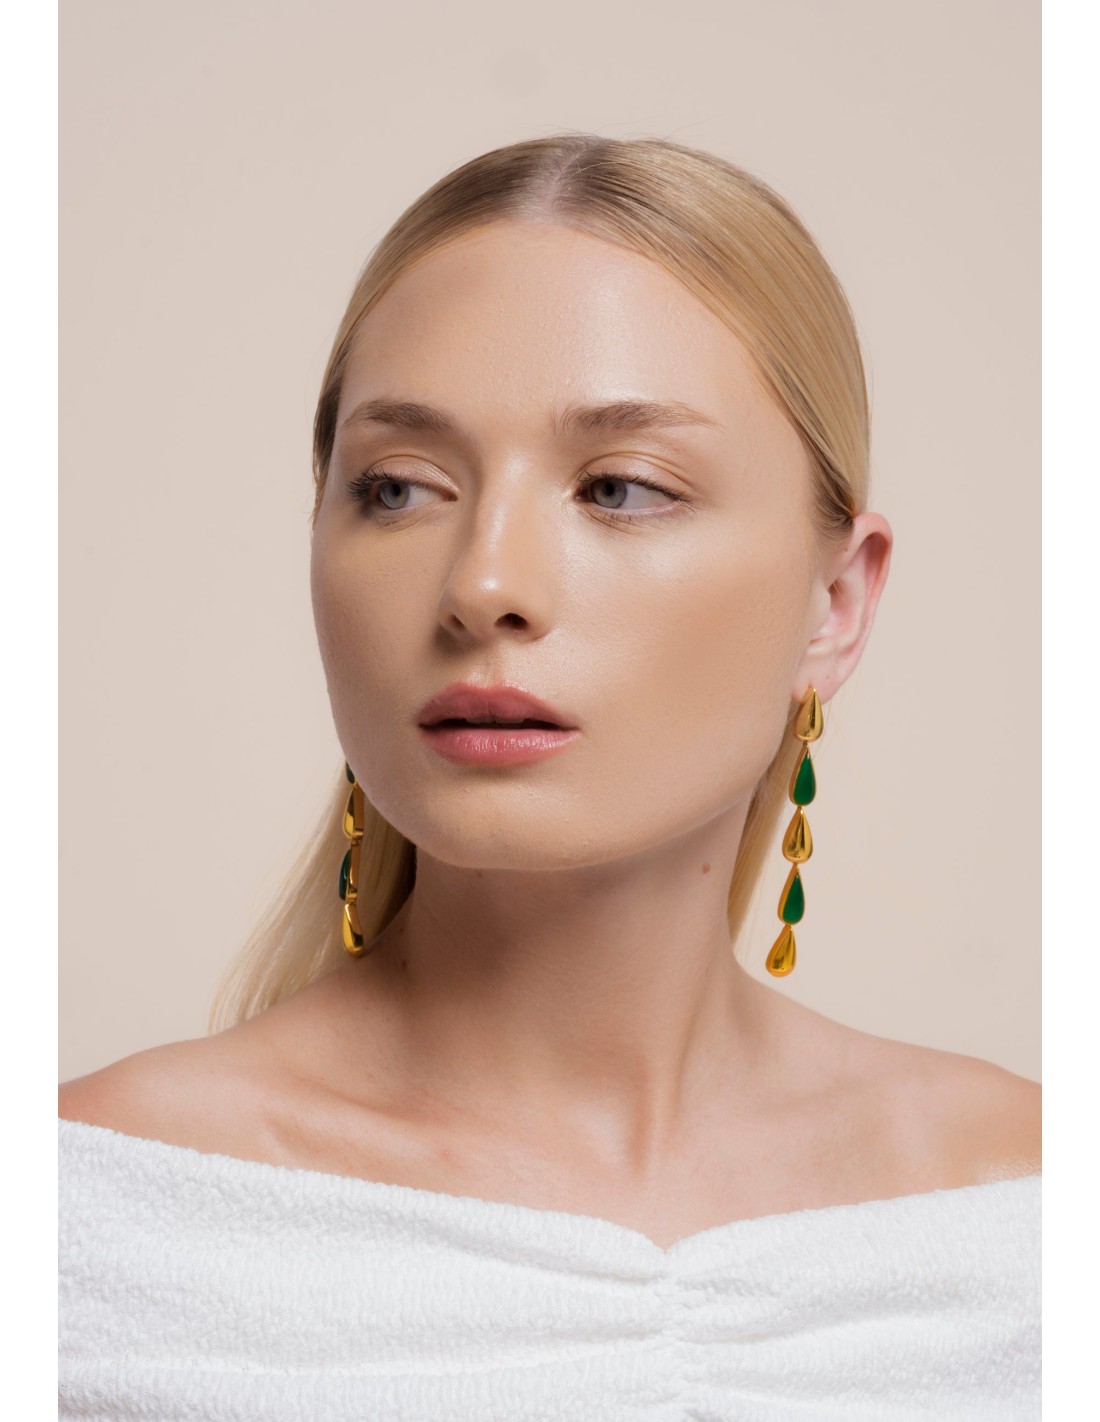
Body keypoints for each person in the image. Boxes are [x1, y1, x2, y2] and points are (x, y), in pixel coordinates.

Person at [59, 134, 1040, 1419]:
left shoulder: (1025, 1219)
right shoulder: (88, 1223)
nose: (482, 585)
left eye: (619, 489)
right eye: (397, 489)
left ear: (835, 603)